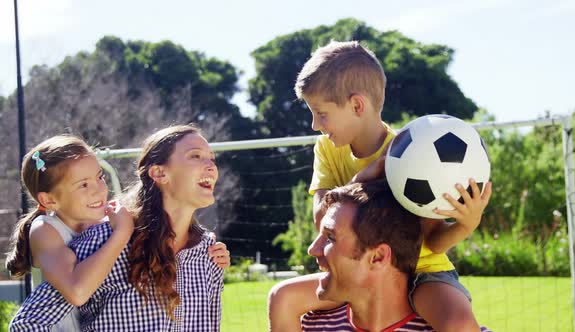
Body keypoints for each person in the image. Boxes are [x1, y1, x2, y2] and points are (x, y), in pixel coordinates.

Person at [268, 40, 492, 332]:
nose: (314, 125)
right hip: (357, 271)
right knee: (282, 297)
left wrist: (467, 224)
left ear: (357, 105)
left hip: (422, 272)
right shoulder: (326, 149)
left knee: (458, 324)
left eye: (321, 113)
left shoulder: (411, 155)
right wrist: (368, 175)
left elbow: (433, 243)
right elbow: (322, 219)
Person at [10, 125, 230, 331]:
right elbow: (28, 323)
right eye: (195, 156)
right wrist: (121, 234)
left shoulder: (209, 252)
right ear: (159, 173)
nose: (211, 166)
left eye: (212, 158)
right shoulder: (103, 242)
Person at [300, 180, 490, 332]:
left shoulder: (459, 327)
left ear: (378, 257)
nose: (313, 249)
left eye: (330, 237)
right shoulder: (309, 326)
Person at [5, 135, 135, 331]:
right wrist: (121, 234)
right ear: (49, 200)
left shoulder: (106, 222)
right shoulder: (45, 230)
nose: (99, 189)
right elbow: (77, 292)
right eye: (83, 185)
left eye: (99, 177)